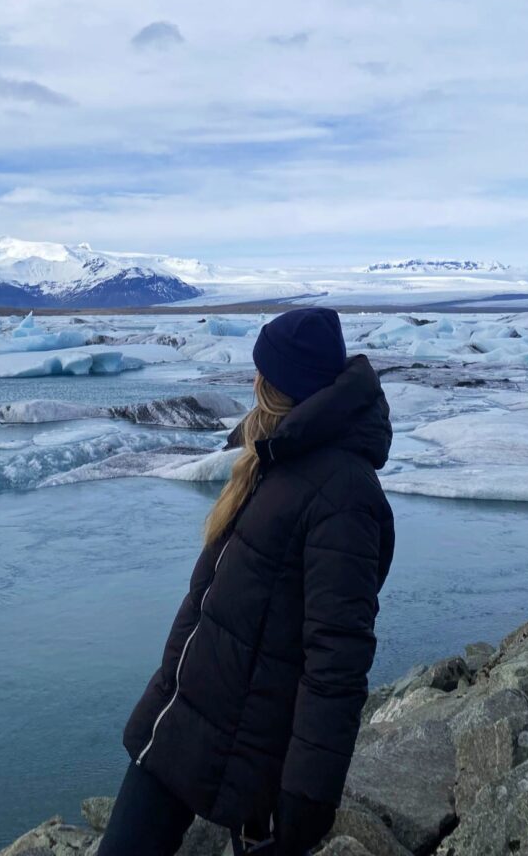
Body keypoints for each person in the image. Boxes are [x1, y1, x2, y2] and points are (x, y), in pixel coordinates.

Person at [98, 307, 395, 856]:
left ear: (277, 384)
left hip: (250, 747)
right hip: (183, 718)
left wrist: (306, 798)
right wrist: (168, 685)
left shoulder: (342, 494)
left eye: (260, 372)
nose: (251, 382)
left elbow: (337, 658)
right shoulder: (273, 459)